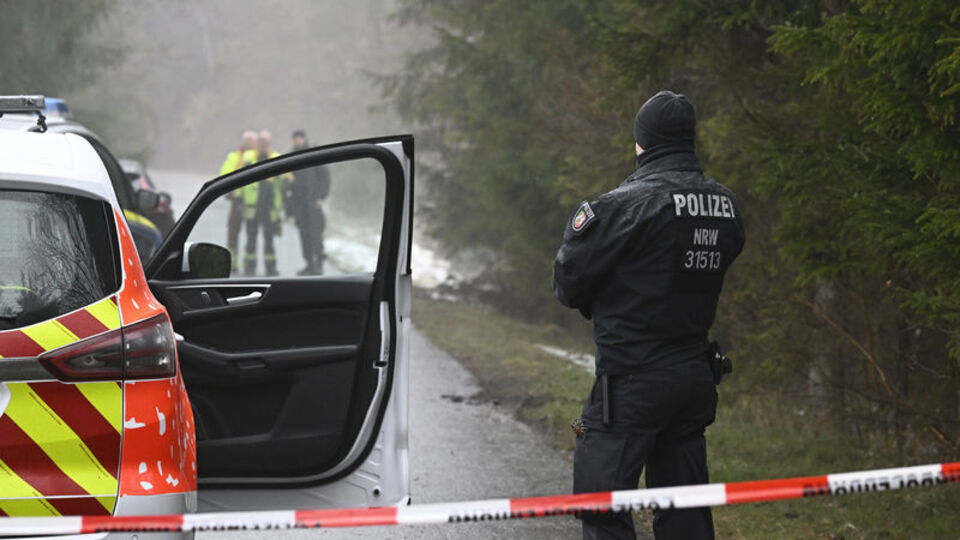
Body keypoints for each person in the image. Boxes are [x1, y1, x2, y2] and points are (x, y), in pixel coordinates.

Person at [553, 90, 746, 540]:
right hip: (693, 381)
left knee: (601, 498)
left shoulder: (622, 206)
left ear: (642, 141)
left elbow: (568, 283)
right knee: (685, 511)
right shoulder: (726, 206)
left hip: (629, 384)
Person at [241, 130, 286, 276]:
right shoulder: (248, 157)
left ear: (269, 143)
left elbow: (288, 177)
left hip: (270, 207)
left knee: (269, 239)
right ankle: (249, 267)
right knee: (251, 238)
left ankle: (271, 268)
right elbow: (239, 178)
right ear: (257, 143)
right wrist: (237, 197)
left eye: (265, 142)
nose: (263, 144)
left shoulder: (276, 158)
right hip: (252, 206)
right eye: (261, 141)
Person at [287, 129, 331, 275]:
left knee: (316, 235)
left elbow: (325, 178)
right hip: (299, 205)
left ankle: (318, 263)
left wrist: (321, 197)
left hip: (313, 203)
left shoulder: (313, 155)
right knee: (304, 235)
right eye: (295, 139)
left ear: (304, 139)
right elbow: (288, 182)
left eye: (300, 138)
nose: (297, 141)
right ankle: (309, 264)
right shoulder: (290, 158)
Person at [219, 130, 257, 270]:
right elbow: (224, 174)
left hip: (254, 203)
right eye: (247, 140)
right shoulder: (234, 156)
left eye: (251, 141)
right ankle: (232, 262)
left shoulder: (258, 157)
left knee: (252, 232)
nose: (249, 143)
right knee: (233, 231)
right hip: (236, 202)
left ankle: (250, 263)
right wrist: (229, 193)